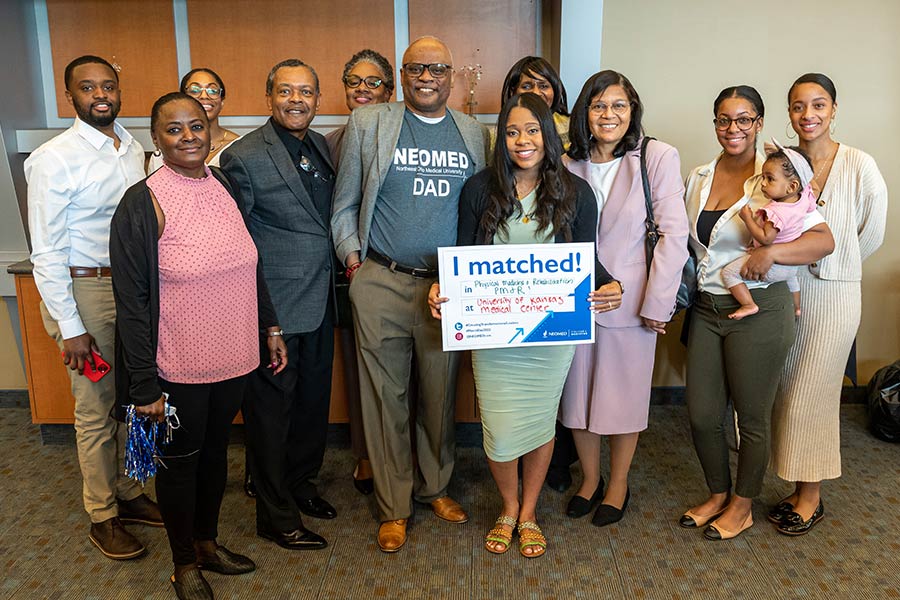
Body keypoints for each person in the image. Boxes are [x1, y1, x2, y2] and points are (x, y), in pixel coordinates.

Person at [110, 92, 287, 600]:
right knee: (181, 464)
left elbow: (249, 264)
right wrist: (144, 384)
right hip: (177, 366)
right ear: (155, 138)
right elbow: (133, 303)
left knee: (215, 457)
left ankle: (207, 543)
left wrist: (269, 327)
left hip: (233, 356)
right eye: (173, 129)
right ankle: (183, 563)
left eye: (196, 126)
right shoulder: (142, 203)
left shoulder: (223, 184)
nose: (188, 136)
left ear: (209, 130)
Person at [428, 92, 621, 557]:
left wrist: (611, 285)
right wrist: (440, 289)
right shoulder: (479, 189)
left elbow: (588, 260)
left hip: (550, 336)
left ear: (548, 136)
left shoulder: (576, 192)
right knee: (497, 425)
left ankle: (529, 511)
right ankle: (508, 506)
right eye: (512, 132)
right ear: (501, 139)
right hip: (492, 336)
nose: (522, 140)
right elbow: (462, 257)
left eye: (532, 130)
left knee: (538, 420)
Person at [331, 36, 490, 553]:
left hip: (447, 287)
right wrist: (355, 263)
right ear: (402, 75)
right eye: (416, 68)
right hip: (381, 279)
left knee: (440, 394)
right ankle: (393, 506)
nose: (427, 77)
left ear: (452, 77)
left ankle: (436, 488)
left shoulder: (472, 132)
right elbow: (344, 202)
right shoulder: (369, 122)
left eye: (438, 68)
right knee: (385, 399)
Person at [679, 86, 834, 541]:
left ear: (760, 123)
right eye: (724, 120)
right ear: (715, 124)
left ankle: (742, 505)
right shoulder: (699, 176)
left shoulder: (778, 178)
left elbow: (822, 240)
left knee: (751, 417)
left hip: (761, 309)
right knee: (703, 414)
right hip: (708, 308)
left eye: (744, 119)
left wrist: (774, 257)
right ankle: (716, 493)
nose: (734, 129)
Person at [24, 55, 161, 561]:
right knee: (95, 409)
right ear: (70, 97)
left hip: (131, 289)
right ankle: (102, 515)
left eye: (107, 86)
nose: (100, 94)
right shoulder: (53, 158)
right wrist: (71, 325)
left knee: (129, 400)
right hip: (87, 293)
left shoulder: (131, 146)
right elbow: (46, 252)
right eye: (87, 88)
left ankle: (128, 492)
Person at [557, 70, 689, 527]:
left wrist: (654, 304)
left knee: (624, 398)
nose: (608, 115)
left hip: (630, 300)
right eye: (598, 106)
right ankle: (590, 480)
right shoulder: (566, 162)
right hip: (572, 299)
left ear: (632, 110)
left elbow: (674, 234)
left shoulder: (656, 156)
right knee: (576, 399)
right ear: (584, 113)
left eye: (618, 105)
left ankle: (618, 484)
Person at [220, 58, 336, 550]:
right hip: (274, 307)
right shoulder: (243, 156)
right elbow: (239, 243)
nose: (296, 100)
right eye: (286, 91)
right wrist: (263, 318)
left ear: (317, 98)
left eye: (306, 92)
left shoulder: (321, 146)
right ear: (269, 97)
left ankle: (300, 484)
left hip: (322, 298)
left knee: (312, 404)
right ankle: (274, 514)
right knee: (271, 415)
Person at [767, 73, 887, 535]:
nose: (808, 115)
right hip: (788, 289)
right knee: (787, 386)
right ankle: (799, 488)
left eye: (819, 105)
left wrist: (830, 261)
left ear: (834, 109)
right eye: (799, 106)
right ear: (790, 113)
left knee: (812, 394)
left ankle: (811, 497)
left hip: (835, 293)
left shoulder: (859, 164)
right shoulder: (784, 163)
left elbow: (869, 235)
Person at [324, 48, 395, 496]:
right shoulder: (326, 141)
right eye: (355, 81)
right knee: (358, 370)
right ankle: (366, 455)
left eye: (374, 82)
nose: (363, 89)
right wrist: (351, 260)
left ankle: (403, 459)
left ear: (390, 90)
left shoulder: (402, 133)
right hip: (345, 272)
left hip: (392, 270)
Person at [721, 143, 817, 320]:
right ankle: (797, 307)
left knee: (728, 273)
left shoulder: (776, 212)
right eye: (763, 177)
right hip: (790, 266)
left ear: (792, 186)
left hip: (773, 267)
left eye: (770, 179)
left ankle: (748, 304)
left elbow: (766, 239)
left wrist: (748, 219)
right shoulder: (803, 197)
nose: (763, 183)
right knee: (792, 280)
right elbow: (812, 202)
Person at [148, 68, 239, 172]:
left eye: (212, 91)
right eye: (195, 90)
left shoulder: (239, 146)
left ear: (222, 101)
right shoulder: (161, 152)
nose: (204, 96)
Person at [500, 56, 571, 149]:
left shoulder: (571, 127)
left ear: (555, 90)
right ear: (513, 92)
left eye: (544, 86)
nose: (536, 93)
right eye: (526, 87)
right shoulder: (499, 132)